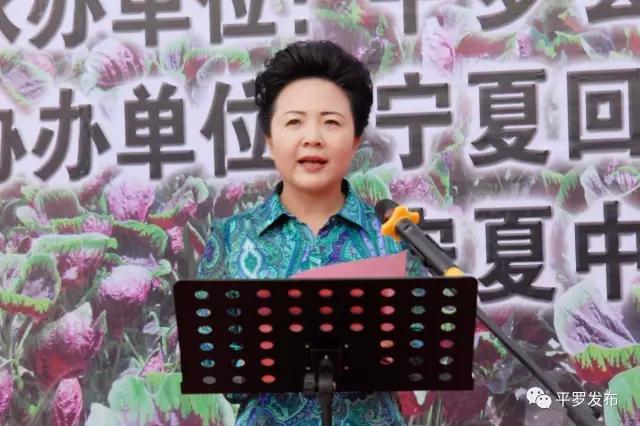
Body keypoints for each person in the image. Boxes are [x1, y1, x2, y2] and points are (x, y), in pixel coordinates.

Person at [196, 40, 428, 426]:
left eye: (331, 122)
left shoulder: (393, 237)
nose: (313, 137)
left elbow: (420, 356)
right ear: (270, 139)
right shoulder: (231, 237)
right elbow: (220, 374)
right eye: (294, 122)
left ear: (355, 140)